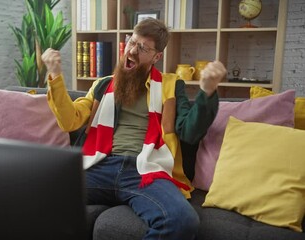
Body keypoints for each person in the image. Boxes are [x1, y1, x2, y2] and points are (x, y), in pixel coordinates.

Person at [42, 18, 226, 240]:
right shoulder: (102, 85)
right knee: (39, 192)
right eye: (131, 42)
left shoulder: (171, 85)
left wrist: (206, 93)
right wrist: (55, 75)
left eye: (142, 48)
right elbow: (70, 120)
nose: (132, 50)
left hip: (145, 170)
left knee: (182, 220)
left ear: (156, 57)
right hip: (99, 165)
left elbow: (188, 131)